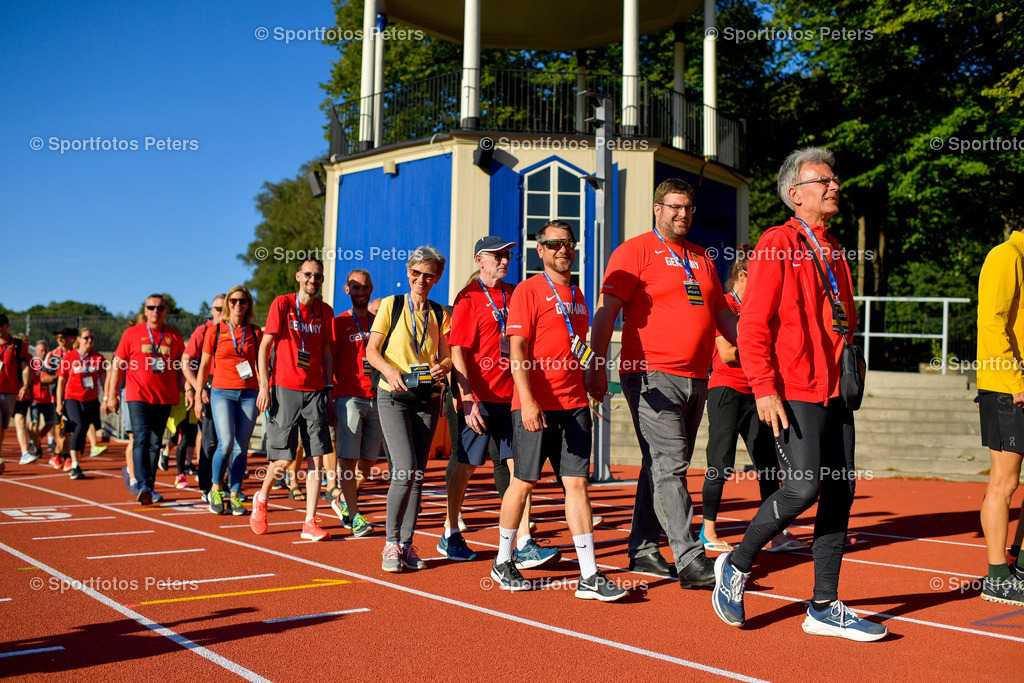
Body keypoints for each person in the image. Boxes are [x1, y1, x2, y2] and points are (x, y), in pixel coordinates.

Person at [710, 147, 887, 641]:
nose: (834, 186)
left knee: (840, 492)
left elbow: (843, 323)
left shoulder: (833, 250)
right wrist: (764, 389)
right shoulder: (776, 244)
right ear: (795, 194)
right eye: (823, 180)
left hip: (835, 393)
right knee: (803, 487)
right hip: (794, 390)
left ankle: (824, 605)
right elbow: (753, 327)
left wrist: (853, 364)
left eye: (834, 179)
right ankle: (737, 565)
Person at [589, 178, 736, 587]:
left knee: (659, 464)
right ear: (657, 208)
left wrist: (754, 348)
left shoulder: (702, 257)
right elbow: (606, 311)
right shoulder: (634, 251)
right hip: (649, 375)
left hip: (696, 377)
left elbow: (721, 315)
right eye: (674, 206)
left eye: (688, 207)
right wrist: (596, 364)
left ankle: (642, 548)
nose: (682, 214)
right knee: (672, 465)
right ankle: (689, 557)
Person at [489, 220, 626, 601]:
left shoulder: (580, 294)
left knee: (578, 484)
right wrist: (528, 401)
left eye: (568, 243)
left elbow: (577, 348)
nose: (562, 250)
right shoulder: (529, 291)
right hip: (535, 404)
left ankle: (589, 575)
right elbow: (516, 351)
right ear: (541, 250)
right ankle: (503, 561)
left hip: (574, 404)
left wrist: (591, 386)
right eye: (554, 245)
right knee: (524, 482)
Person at [440, 236, 559, 569]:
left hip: (513, 396)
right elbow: (458, 351)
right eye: (497, 256)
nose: (505, 260)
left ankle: (523, 541)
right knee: (465, 466)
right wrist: (466, 398)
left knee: (520, 469)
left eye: (508, 255)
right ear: (480, 260)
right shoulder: (468, 298)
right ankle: (450, 531)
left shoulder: (515, 292)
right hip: (477, 397)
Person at [700, 246, 808, 554]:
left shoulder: (761, 309)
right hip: (726, 390)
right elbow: (727, 354)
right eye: (759, 279)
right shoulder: (724, 304)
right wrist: (761, 345)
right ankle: (707, 531)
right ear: (743, 276)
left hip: (758, 394)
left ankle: (776, 533)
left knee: (768, 467)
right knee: (719, 464)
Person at [366, 246, 451, 572]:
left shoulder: (438, 313)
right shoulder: (391, 305)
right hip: (392, 395)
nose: (421, 280)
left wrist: (442, 367)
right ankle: (389, 545)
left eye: (429, 275)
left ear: (437, 277)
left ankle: (406, 544)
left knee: (417, 475)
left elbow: (445, 356)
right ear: (408, 272)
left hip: (426, 398)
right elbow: (373, 350)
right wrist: (389, 371)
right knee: (403, 469)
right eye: (416, 273)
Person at [251, 259, 335, 541]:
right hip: (283, 388)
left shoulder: (325, 311)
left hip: (315, 392)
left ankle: (310, 520)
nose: (313, 280)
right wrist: (264, 386)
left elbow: (325, 352)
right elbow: (264, 347)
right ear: (299, 276)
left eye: (318, 276)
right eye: (308, 275)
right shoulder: (282, 304)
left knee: (316, 458)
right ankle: (261, 499)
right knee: (283, 460)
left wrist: (328, 386)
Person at [976, 220, 1024, 605]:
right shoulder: (1005, 256)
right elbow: (991, 322)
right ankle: (996, 577)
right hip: (1008, 389)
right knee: (1004, 482)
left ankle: (1020, 566)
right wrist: (1015, 380)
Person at [103, 295, 186, 505]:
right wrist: (111, 394)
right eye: (151, 307)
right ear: (145, 310)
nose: (155, 311)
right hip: (137, 396)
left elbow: (181, 369)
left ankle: (149, 485)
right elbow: (117, 365)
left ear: (166, 311)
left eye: (160, 307)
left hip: (165, 397)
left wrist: (189, 391)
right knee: (141, 438)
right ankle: (143, 485)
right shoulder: (131, 333)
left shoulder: (174, 336)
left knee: (155, 442)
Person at [196, 285, 261, 516]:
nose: (238, 305)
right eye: (233, 301)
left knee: (242, 447)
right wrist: (197, 395)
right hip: (221, 392)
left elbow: (261, 364)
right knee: (225, 443)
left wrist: (265, 390)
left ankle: (235, 494)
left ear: (248, 305)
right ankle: (216, 488)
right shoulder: (215, 331)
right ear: (227, 305)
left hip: (249, 393)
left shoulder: (255, 331)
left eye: (242, 301)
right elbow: (204, 365)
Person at [328, 269, 382, 537]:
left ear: (371, 289)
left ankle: (342, 499)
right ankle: (355, 514)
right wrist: (329, 394)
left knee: (367, 464)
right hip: (348, 398)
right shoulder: (337, 323)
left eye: (365, 287)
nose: (361, 292)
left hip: (376, 399)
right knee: (348, 461)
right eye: (355, 287)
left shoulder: (379, 322)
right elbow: (329, 361)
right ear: (347, 290)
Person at [182, 293, 226, 499]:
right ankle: (207, 486)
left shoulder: (235, 330)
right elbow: (186, 361)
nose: (221, 312)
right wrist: (195, 389)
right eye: (217, 309)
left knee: (228, 441)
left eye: (224, 308)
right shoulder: (204, 330)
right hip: (209, 386)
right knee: (209, 440)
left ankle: (222, 484)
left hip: (231, 388)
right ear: (211, 310)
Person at [56, 328, 106, 480]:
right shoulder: (70, 356)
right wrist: (59, 403)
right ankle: (73, 463)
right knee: (77, 426)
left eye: (91, 338)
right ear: (79, 339)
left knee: (83, 429)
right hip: (72, 397)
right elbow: (61, 381)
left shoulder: (98, 358)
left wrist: (107, 399)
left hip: (90, 399)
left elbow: (104, 379)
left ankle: (77, 463)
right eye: (86, 338)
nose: (89, 340)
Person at [1, 315, 34, 469]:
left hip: (11, 391)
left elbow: (25, 366)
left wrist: (25, 385)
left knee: (3, 426)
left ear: (7, 326)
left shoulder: (17, 345)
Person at [42, 328, 76, 469]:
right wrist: (59, 378)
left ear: (71, 338)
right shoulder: (53, 356)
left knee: (70, 428)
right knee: (61, 428)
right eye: (57, 337)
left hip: (75, 395)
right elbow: (44, 377)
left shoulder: (77, 354)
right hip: (58, 397)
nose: (59, 340)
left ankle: (60, 454)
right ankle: (61, 455)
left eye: (62, 337)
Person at [29, 341, 57, 457]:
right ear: (36, 352)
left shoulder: (50, 364)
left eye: (45, 350)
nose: (43, 353)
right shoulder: (32, 364)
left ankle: (37, 439)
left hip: (47, 398)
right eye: (41, 350)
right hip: (35, 398)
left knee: (51, 422)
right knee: (35, 424)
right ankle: (38, 448)